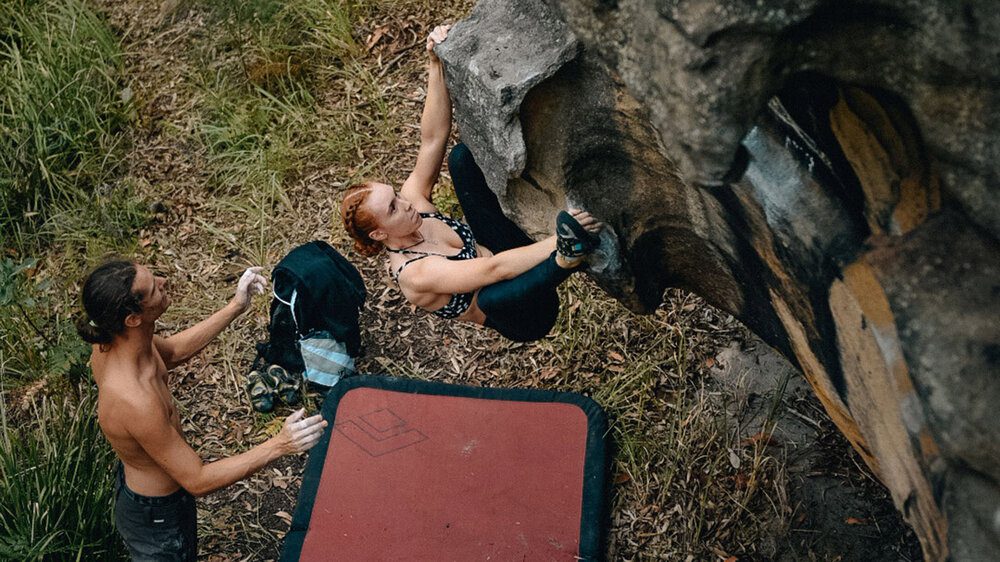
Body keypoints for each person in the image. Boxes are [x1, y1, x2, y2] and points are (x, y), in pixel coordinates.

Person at [340, 25, 603, 342]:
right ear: (380, 233)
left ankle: (541, 198)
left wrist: (435, 63)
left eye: (396, 195)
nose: (407, 202)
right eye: (394, 208)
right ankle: (568, 254)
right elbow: (495, 272)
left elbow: (432, 139)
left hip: (505, 254)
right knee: (491, 296)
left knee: (461, 159)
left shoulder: (415, 205)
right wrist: (554, 242)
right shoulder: (416, 274)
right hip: (524, 308)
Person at [76, 260, 328, 561]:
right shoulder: (135, 400)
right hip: (157, 516)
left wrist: (236, 305)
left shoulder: (119, 340)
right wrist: (280, 444)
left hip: (159, 495)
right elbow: (197, 479)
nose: (164, 279)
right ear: (132, 318)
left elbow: (172, 351)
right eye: (153, 286)